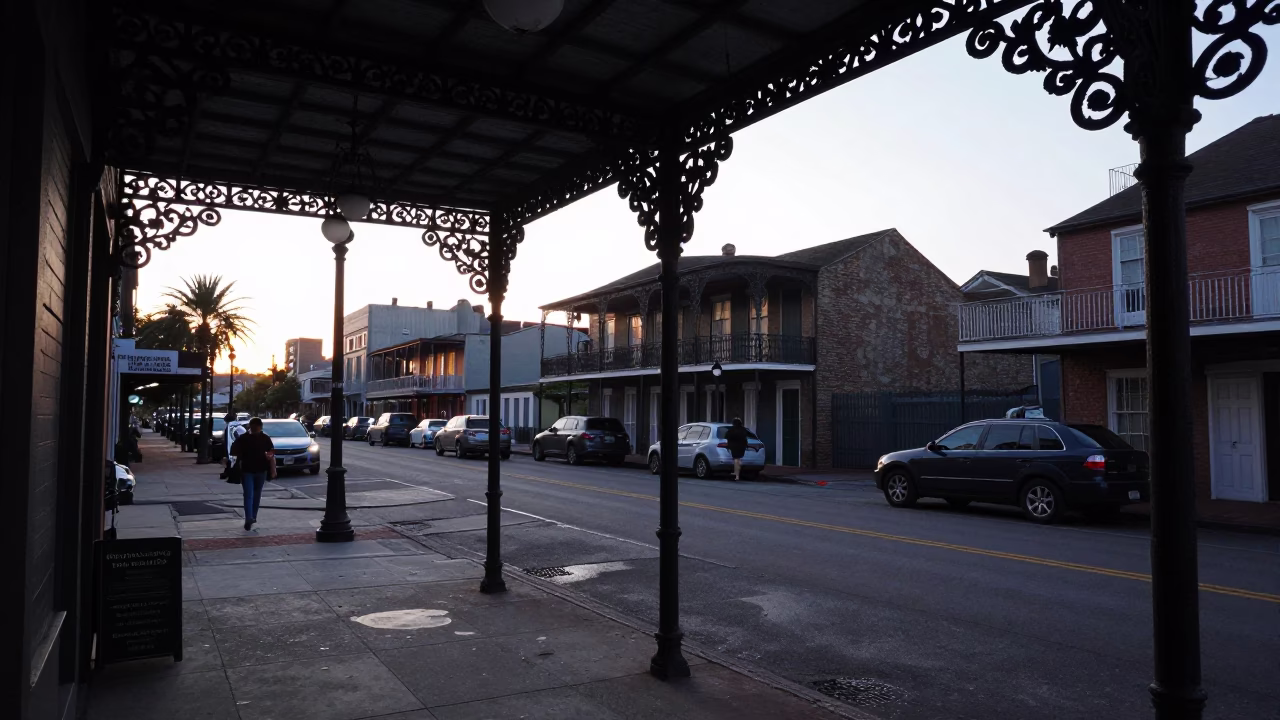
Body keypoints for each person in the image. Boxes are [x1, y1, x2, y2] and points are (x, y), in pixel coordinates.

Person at [229, 417, 274, 530]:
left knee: (250, 495)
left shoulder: (245, 438)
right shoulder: (264, 438)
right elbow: (271, 453)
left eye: (255, 427)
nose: (254, 429)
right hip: (254, 470)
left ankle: (251, 517)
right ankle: (251, 517)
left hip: (251, 470)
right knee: (254, 494)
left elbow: (233, 451)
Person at [219, 412, 247, 479]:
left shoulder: (231, 427)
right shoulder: (238, 426)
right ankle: (228, 473)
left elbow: (230, 439)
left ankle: (229, 473)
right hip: (237, 447)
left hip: (234, 447)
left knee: (233, 461)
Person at [725, 417, 749, 482]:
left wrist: (729, 445)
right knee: (739, 459)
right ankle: (736, 472)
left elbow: (727, 437)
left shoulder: (731, 430)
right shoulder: (743, 429)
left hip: (734, 446)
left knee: (736, 459)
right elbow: (746, 437)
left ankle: (737, 475)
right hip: (742, 446)